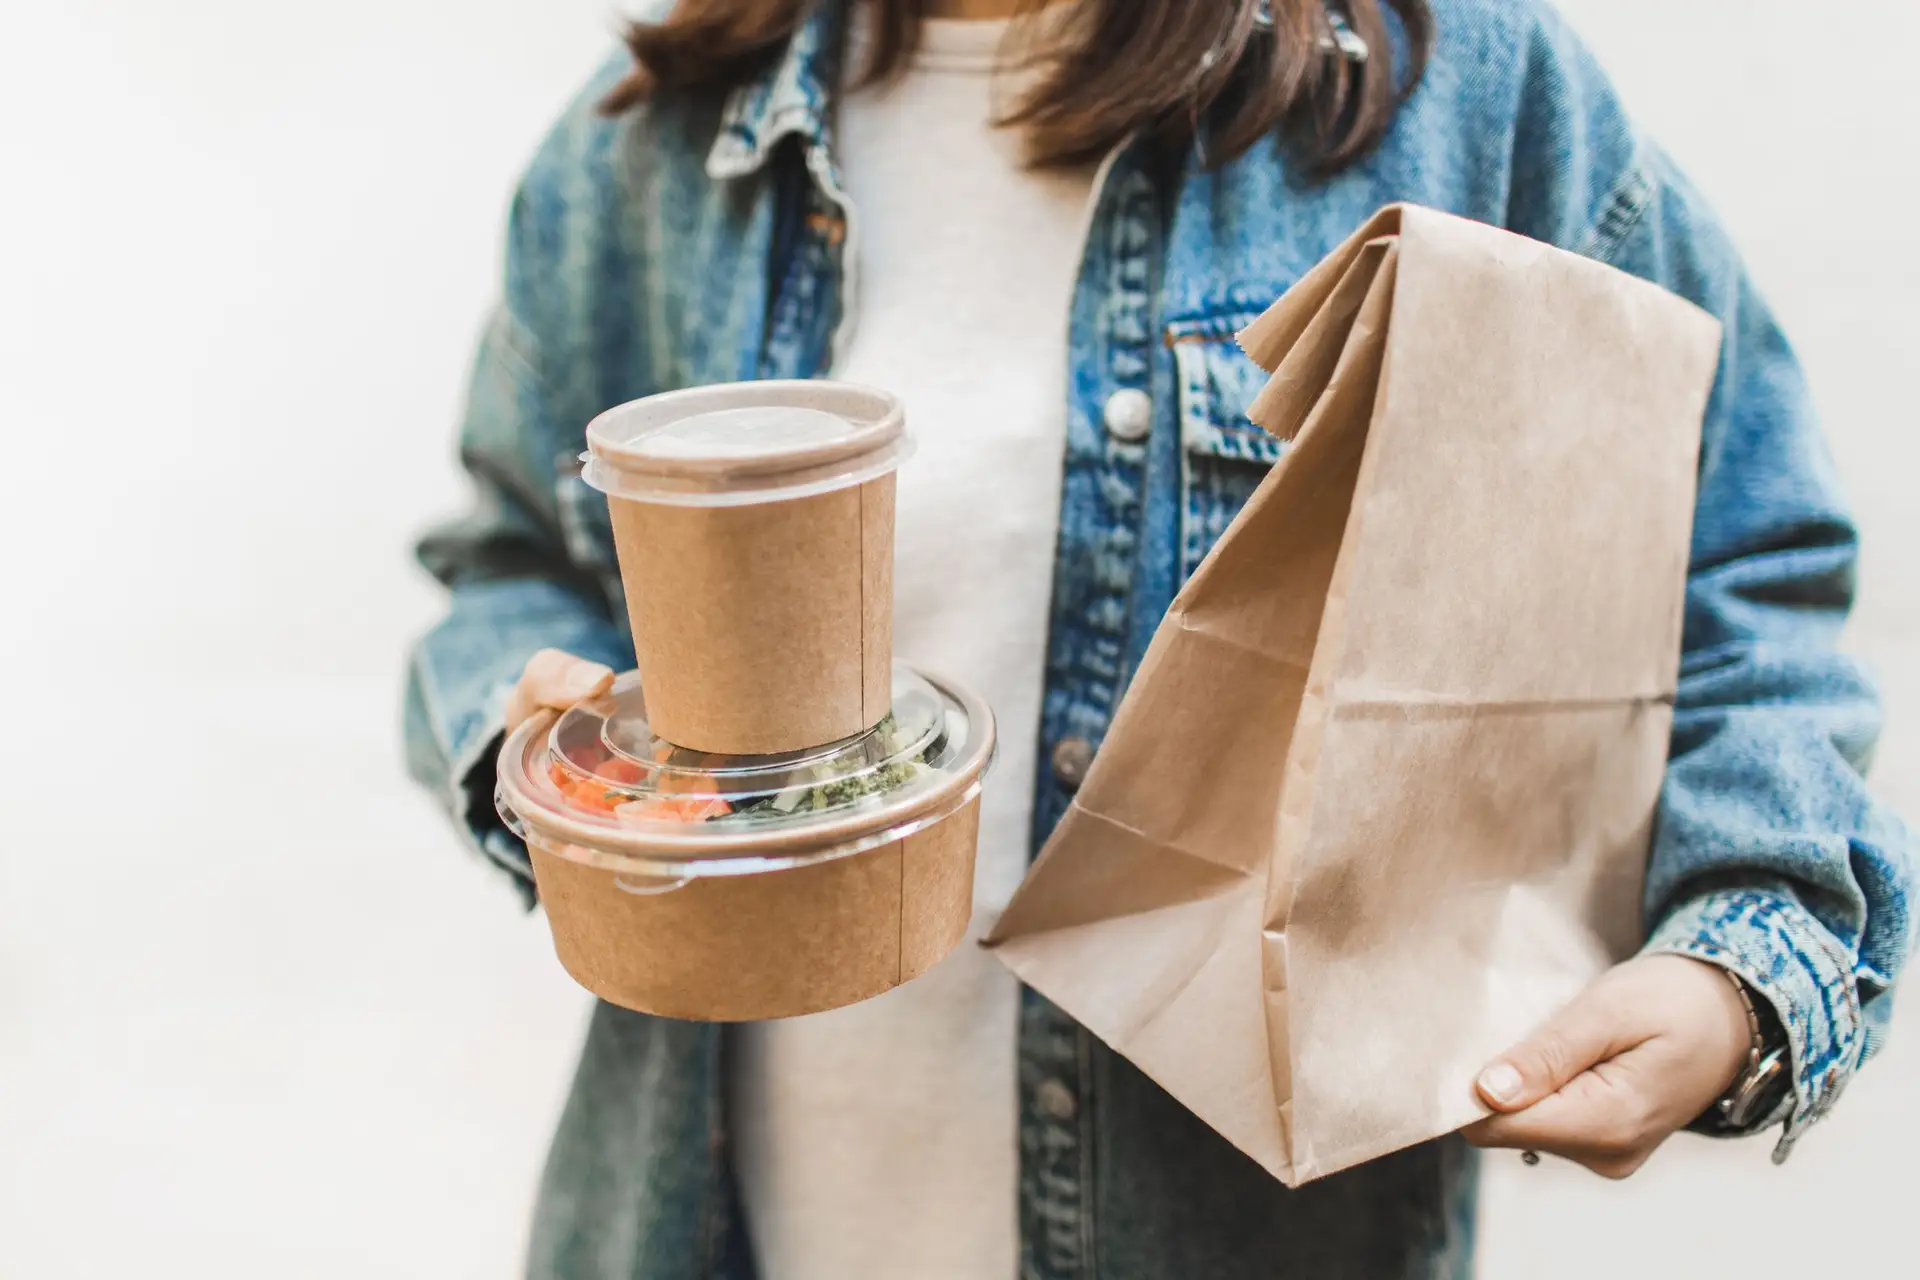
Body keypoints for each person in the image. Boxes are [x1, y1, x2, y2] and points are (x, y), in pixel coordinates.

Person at [402, 0, 1913, 1276]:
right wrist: (536, 738)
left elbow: (1739, 568)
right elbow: (509, 563)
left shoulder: (1458, 94)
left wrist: (1738, 968)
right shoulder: (648, 150)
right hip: (707, 1222)